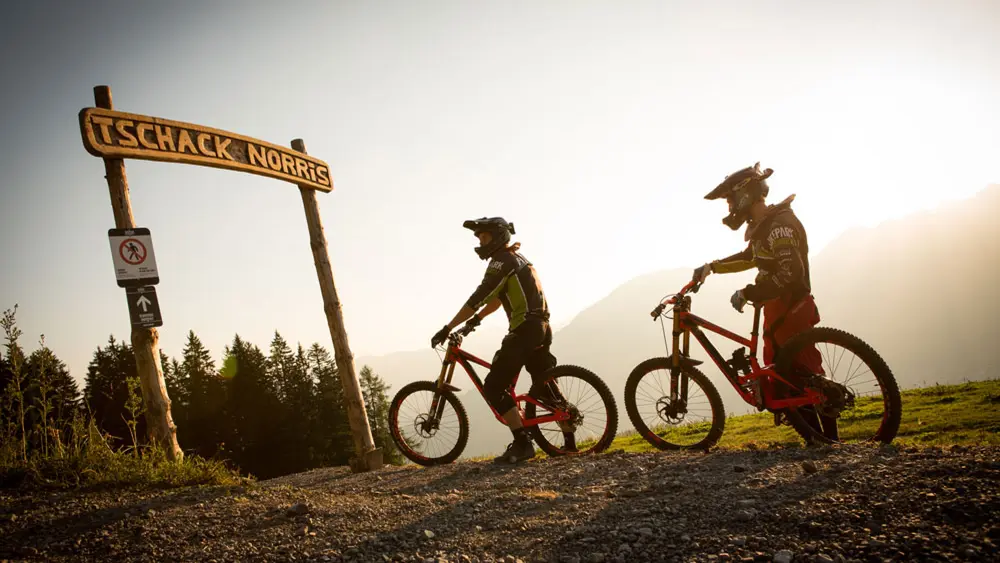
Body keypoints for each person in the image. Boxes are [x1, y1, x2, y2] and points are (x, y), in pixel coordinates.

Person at [692, 162, 837, 441]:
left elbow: (790, 273)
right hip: (778, 308)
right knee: (789, 377)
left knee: (803, 375)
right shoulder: (765, 226)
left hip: (791, 306)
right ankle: (818, 442)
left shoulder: (780, 226)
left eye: (731, 200)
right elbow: (749, 257)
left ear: (745, 195)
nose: (731, 208)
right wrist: (712, 267)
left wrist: (749, 293)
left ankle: (828, 442)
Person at [431, 217, 570, 464]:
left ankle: (522, 443)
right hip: (542, 326)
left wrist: (448, 327)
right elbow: (497, 299)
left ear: (497, 238)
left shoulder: (500, 262)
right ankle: (569, 443)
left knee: (494, 385)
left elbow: (480, 297)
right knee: (545, 385)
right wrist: (474, 323)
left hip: (524, 329)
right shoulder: (518, 258)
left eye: (484, 237)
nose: (481, 243)